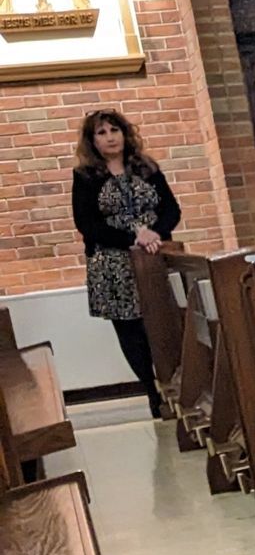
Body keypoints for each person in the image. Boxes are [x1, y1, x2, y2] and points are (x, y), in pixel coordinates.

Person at [70, 109, 180, 416]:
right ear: (92, 141)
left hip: (154, 255)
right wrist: (133, 238)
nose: (110, 137)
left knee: (164, 322)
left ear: (125, 133)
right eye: (102, 132)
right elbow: (86, 223)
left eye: (114, 130)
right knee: (131, 330)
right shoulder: (86, 177)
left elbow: (171, 210)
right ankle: (152, 393)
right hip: (112, 262)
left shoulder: (146, 167)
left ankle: (176, 388)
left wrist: (154, 234)